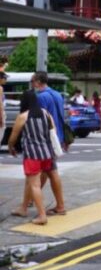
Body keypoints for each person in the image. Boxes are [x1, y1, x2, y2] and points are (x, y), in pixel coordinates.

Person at [8, 89, 62, 225]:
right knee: (30, 182)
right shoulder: (46, 113)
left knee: (34, 185)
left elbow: (13, 137)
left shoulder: (23, 117)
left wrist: (11, 147)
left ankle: (42, 216)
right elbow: (53, 132)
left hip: (32, 155)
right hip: (47, 154)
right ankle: (23, 208)